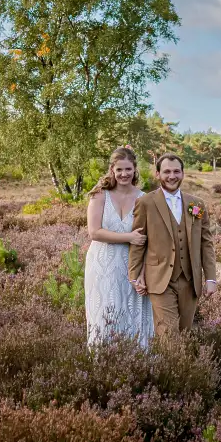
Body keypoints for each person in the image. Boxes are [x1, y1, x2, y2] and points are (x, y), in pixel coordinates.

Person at [127, 153, 217, 338]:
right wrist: (134, 275)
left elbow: (206, 243)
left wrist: (211, 278)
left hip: (190, 280)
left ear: (183, 174)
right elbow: (138, 241)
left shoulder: (196, 204)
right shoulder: (145, 203)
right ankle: (169, 366)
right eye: (166, 171)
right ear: (158, 174)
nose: (172, 176)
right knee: (169, 335)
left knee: (184, 333)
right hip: (160, 280)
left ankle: (177, 367)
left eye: (176, 171)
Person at [83, 146, 154, 347]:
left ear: (135, 170)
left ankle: (137, 364)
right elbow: (94, 232)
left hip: (132, 264)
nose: (124, 174)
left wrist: (143, 272)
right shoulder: (99, 195)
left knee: (132, 312)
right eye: (119, 169)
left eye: (128, 169)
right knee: (105, 312)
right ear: (112, 170)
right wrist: (128, 237)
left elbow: (149, 239)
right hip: (102, 263)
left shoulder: (144, 199)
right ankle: (103, 362)